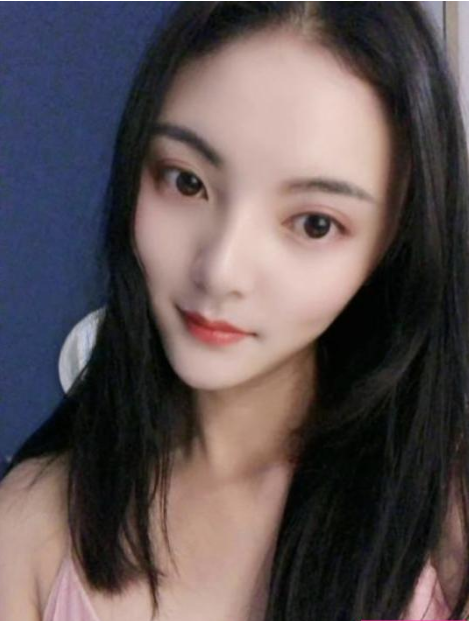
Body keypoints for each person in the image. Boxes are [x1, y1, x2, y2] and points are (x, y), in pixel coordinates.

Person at [1, 2, 468, 620]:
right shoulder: (33, 524)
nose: (221, 270)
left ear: (393, 240)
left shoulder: (448, 519)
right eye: (186, 182)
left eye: (314, 222)